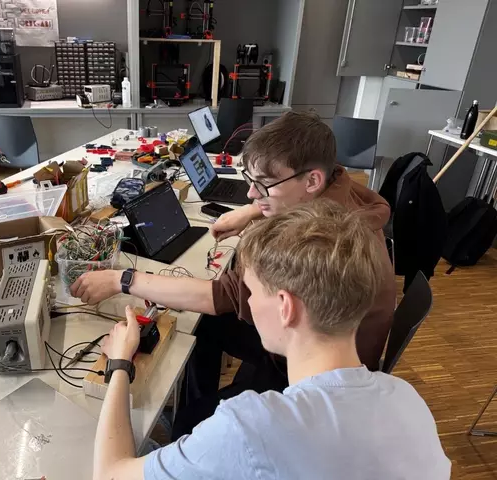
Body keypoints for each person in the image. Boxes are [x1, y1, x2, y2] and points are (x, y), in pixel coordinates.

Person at [72, 112, 396, 434]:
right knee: (206, 324)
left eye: (264, 184)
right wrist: (254, 210)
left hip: (314, 377)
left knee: (193, 416)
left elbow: (219, 296)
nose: (252, 193)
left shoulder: (318, 240)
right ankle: (201, 400)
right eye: (251, 181)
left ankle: (194, 421)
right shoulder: (337, 187)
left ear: (312, 180)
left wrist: (122, 279)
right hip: (325, 342)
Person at [92, 201, 450, 480]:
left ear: (285, 307)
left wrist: (120, 363)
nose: (246, 303)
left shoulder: (251, 427)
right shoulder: (408, 400)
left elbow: (110, 474)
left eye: (251, 291)